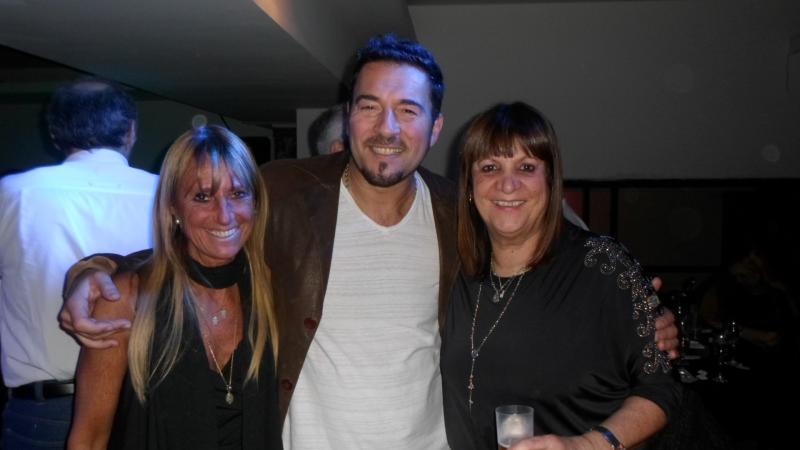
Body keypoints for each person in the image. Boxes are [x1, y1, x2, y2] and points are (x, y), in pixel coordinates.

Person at [58, 35, 679, 449]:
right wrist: (93, 271)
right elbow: (199, 234)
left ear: (434, 126)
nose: (387, 128)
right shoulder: (286, 193)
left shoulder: (460, 212)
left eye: (407, 110)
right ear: (348, 115)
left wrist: (638, 318)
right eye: (369, 106)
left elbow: (552, 253)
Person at [441, 102, 680, 450]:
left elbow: (662, 388)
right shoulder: (455, 269)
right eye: (490, 167)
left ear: (550, 180)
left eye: (526, 167)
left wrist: (586, 445)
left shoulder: (602, 266)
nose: (508, 185)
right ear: (469, 184)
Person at [66, 125, 281, 449]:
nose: (225, 216)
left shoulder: (270, 288)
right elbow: (89, 439)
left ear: (256, 202)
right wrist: (88, 271)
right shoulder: (126, 298)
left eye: (238, 194)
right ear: (172, 208)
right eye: (202, 197)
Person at [0, 78, 158, 449]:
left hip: (47, 413)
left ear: (54, 134)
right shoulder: (171, 196)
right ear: (131, 131)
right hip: (148, 408)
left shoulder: (12, 195)